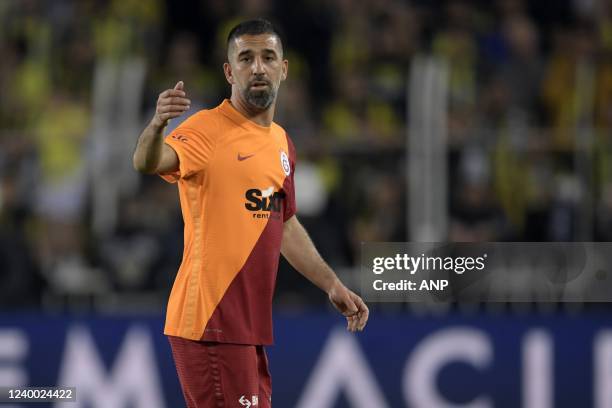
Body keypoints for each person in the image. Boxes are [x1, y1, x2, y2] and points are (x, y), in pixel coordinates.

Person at [132, 18, 369, 408]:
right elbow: (148, 161)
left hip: (247, 327)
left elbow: (285, 223)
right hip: (210, 322)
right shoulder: (206, 129)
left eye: (267, 57)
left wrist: (331, 284)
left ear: (284, 68)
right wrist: (158, 124)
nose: (258, 67)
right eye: (245, 58)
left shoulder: (281, 143)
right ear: (229, 71)